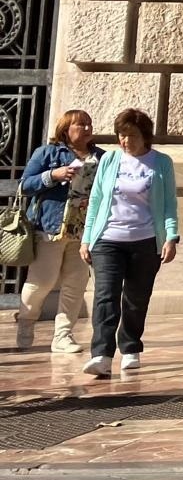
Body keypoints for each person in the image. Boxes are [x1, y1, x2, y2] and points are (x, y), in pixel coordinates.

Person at [79, 108, 178, 378]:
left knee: (136, 299)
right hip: (108, 240)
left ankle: (130, 347)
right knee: (105, 296)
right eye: (121, 135)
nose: (125, 141)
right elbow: (96, 202)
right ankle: (101, 354)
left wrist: (171, 236)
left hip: (146, 241)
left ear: (144, 136)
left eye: (131, 135)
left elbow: (169, 204)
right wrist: (87, 238)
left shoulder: (161, 162)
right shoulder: (109, 161)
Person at [16, 110, 102, 353]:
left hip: (84, 231)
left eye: (89, 123)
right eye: (80, 124)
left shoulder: (101, 157)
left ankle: (63, 336)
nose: (86, 128)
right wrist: (52, 175)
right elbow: (25, 184)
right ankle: (26, 322)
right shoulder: (48, 153)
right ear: (66, 128)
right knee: (42, 281)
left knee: (75, 285)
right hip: (51, 228)